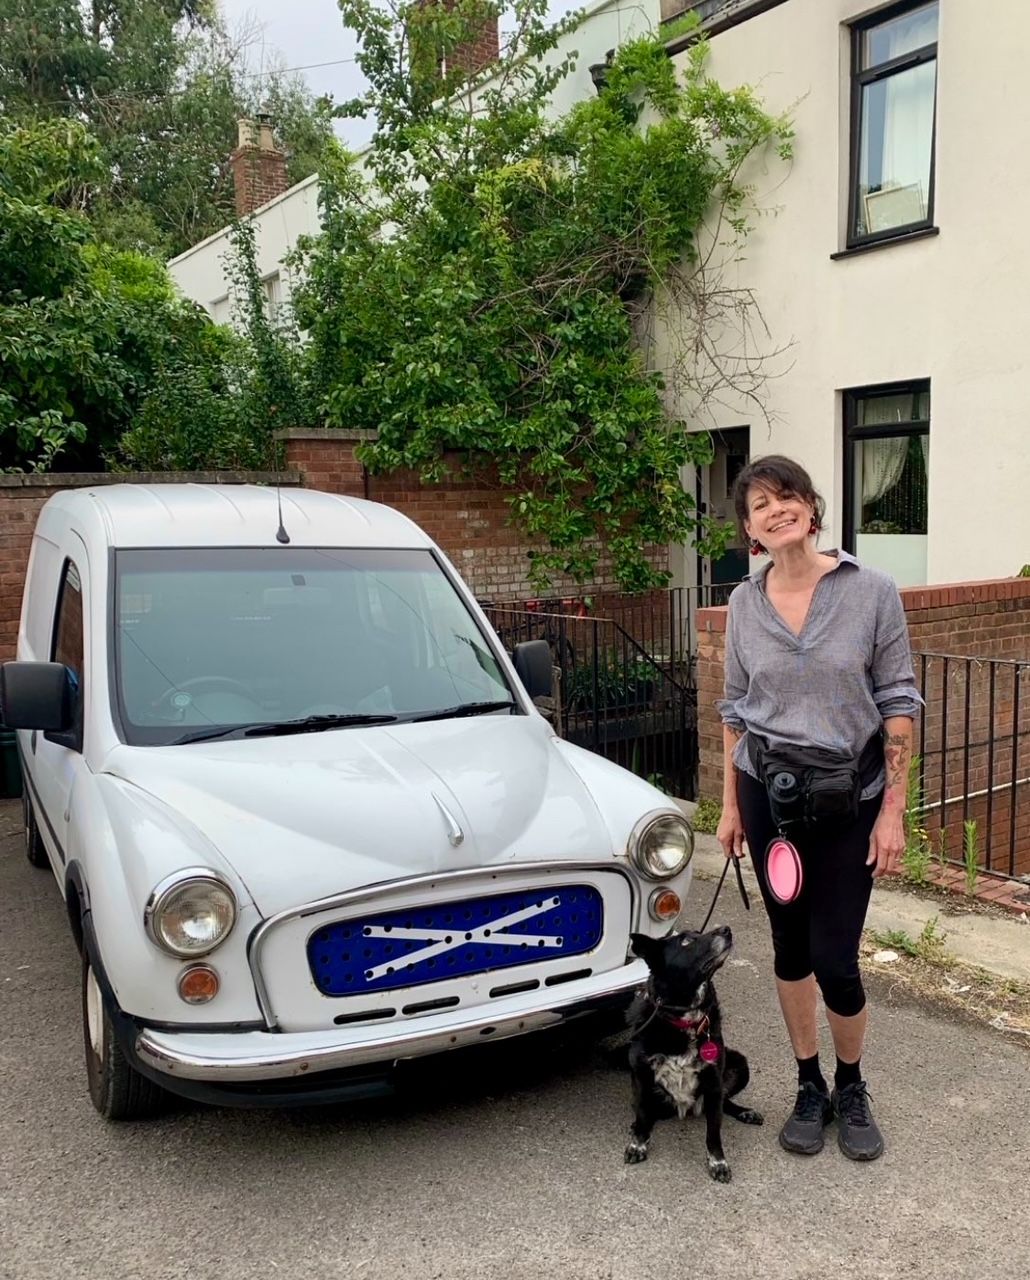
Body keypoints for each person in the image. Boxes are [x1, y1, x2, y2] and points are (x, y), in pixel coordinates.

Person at [715, 455, 921, 1162]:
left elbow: (899, 701)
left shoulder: (872, 591)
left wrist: (892, 809)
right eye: (760, 505)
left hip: (849, 801)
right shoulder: (743, 604)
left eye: (787, 496)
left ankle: (851, 1084)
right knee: (790, 948)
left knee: (836, 958)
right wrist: (730, 807)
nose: (777, 510)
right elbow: (735, 711)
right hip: (769, 800)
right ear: (750, 530)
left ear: (811, 506)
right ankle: (809, 1084)